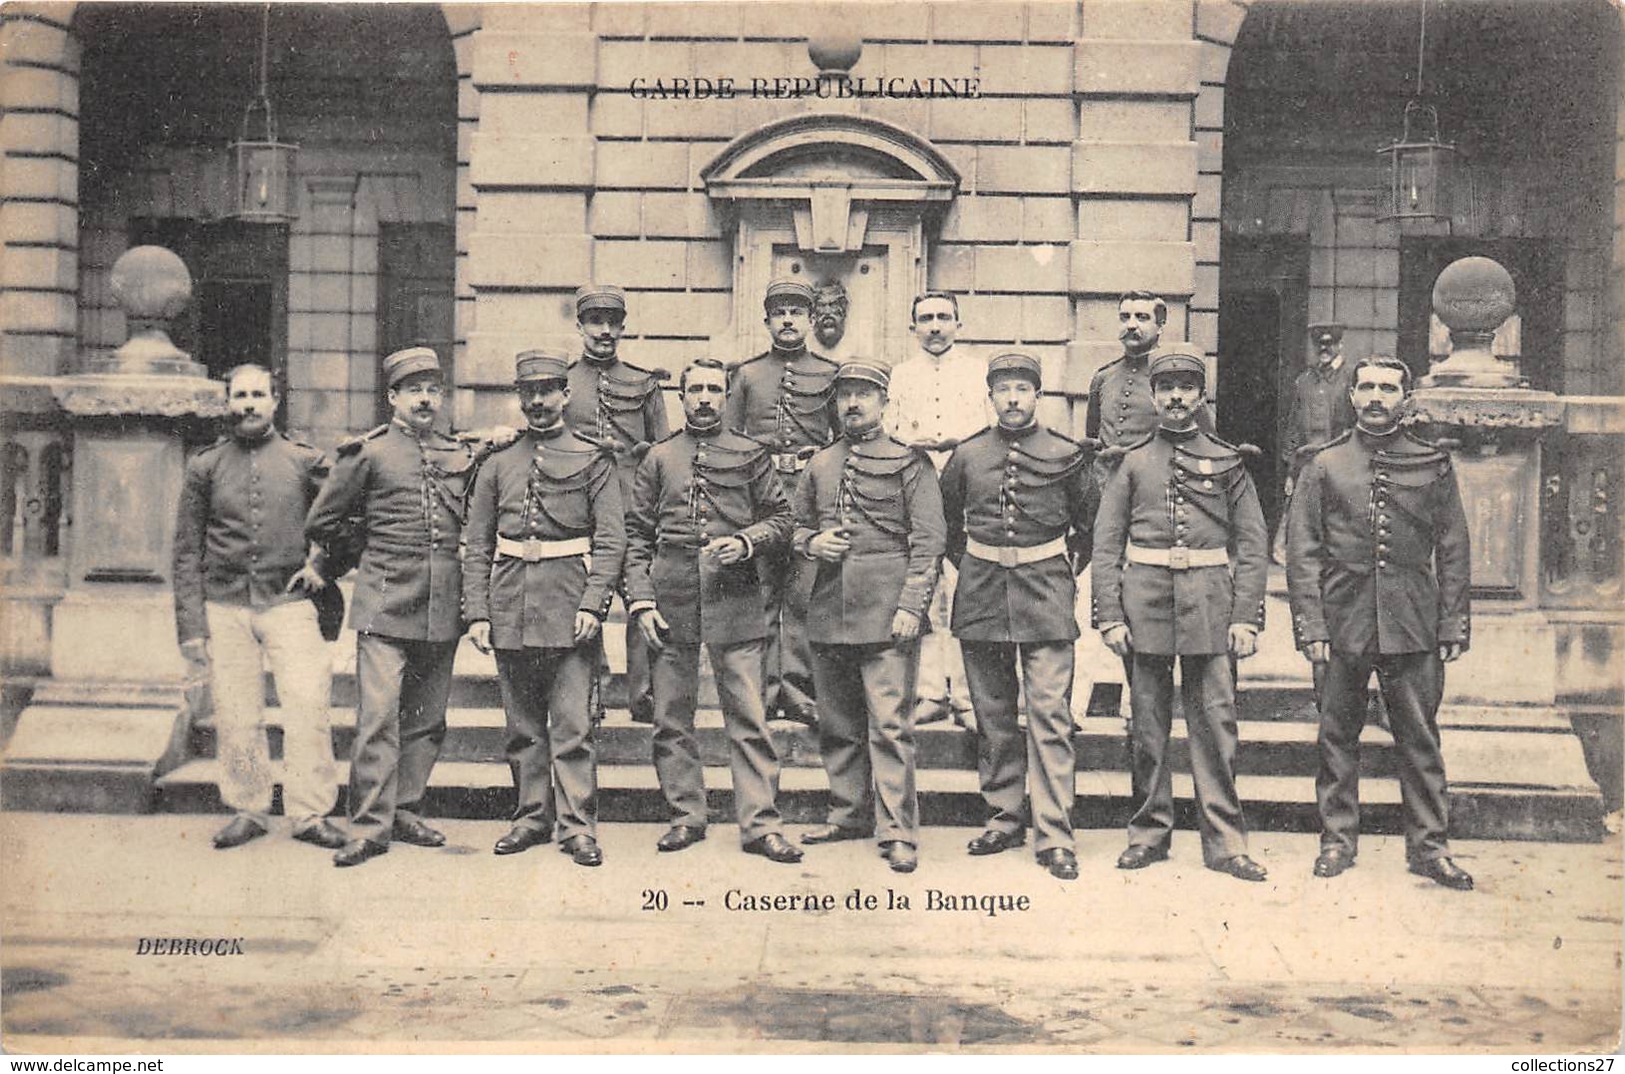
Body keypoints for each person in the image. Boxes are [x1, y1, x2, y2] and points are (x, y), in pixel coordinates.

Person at [1285, 355, 1474, 890]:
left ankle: (1429, 848)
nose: (1374, 397)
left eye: (1388, 388)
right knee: (1336, 735)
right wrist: (1312, 627)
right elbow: (1302, 553)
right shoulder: (1323, 464)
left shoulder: (1432, 463)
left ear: (1405, 399)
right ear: (1351, 396)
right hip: (1342, 619)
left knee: (1419, 739)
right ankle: (1337, 840)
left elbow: (1453, 546)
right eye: (1365, 387)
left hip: (1412, 620)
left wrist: (1453, 622)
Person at [1091, 344, 1270, 882]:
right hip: (1143, 603)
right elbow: (1106, 544)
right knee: (1147, 728)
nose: (1175, 397)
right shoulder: (1131, 462)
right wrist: (1110, 615)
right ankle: (1148, 833)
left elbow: (1253, 543)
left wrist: (1246, 616)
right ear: (1153, 394)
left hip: (1211, 605)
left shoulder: (1228, 461)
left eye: (1186, 388)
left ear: (1200, 395)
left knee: (1215, 726)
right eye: (1166, 388)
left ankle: (1225, 842)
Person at [305, 347, 482, 867]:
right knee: (378, 718)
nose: (425, 399)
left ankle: (405, 808)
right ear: (393, 398)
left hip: (441, 602)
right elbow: (323, 522)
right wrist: (367, 548)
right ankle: (368, 824)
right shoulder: (368, 453)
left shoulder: (455, 453)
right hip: (384, 601)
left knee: (427, 718)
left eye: (433, 390)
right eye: (414, 391)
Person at [624, 357, 802, 863]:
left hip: (735, 594)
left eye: (713, 390)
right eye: (694, 389)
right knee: (671, 717)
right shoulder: (658, 457)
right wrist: (640, 598)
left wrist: (747, 542)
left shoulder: (750, 454)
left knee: (748, 715)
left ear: (726, 396)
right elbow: (635, 534)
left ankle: (760, 824)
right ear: (681, 396)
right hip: (671, 596)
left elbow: (783, 518)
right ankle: (686, 815)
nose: (704, 398)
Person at [463, 350, 626, 868]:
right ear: (520, 397)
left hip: (568, 605)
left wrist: (594, 604)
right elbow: (477, 543)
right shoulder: (496, 463)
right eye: (528, 392)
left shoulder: (592, 457)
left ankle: (578, 826)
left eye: (547, 390)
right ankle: (531, 817)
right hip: (511, 604)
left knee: (573, 727)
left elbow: (611, 540)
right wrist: (478, 614)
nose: (537, 401)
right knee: (523, 727)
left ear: (565, 394)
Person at [172, 363, 343, 852]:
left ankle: (310, 812)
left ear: (275, 400)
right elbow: (186, 549)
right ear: (229, 402)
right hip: (225, 606)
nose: (248, 404)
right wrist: (190, 625)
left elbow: (340, 523)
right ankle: (249, 808)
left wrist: (321, 566)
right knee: (237, 712)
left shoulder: (304, 461)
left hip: (290, 603)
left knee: (307, 706)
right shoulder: (205, 466)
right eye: (240, 396)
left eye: (258, 395)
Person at [940, 352, 1095, 880]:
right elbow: (948, 526)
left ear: (1037, 396)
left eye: (1021, 390)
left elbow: (1087, 526)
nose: (1012, 399)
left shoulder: (1067, 453)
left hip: (1046, 595)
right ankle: (1004, 816)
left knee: (1050, 716)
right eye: (1002, 389)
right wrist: (980, 564)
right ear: (990, 397)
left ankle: (1054, 833)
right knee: (994, 717)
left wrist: (1055, 569)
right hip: (982, 593)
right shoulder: (966, 455)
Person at [792, 360, 945, 874]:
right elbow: (793, 528)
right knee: (837, 723)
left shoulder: (909, 463)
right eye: (845, 396)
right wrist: (812, 542)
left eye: (864, 395)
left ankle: (898, 830)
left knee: (889, 726)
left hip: (886, 613)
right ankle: (848, 813)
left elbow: (928, 543)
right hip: (830, 608)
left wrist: (910, 606)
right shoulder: (819, 464)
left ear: (885, 402)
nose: (853, 405)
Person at [723, 278, 840, 726]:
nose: (788, 320)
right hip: (761, 495)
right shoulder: (748, 375)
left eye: (797, 312)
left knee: (804, 594)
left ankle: (797, 689)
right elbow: (730, 442)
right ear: (767, 321)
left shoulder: (829, 374)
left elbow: (838, 442)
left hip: (808, 494)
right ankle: (764, 690)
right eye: (779, 313)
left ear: (811, 320)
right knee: (762, 592)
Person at [564, 284, 669, 726]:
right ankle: (592, 689)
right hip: (577, 504)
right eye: (595, 322)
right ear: (581, 326)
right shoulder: (563, 382)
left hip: (633, 505)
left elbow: (663, 453)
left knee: (642, 589)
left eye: (613, 323)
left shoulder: (642, 383)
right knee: (584, 592)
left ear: (623, 328)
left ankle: (642, 694)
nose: (604, 331)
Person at [885, 290, 989, 729]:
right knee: (925, 591)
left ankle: (966, 698)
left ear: (959, 325)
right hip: (918, 482)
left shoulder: (978, 372)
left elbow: (991, 427)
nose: (934, 326)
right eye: (925, 319)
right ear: (913, 328)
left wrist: (957, 445)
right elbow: (889, 428)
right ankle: (930, 692)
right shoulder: (901, 375)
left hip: (966, 488)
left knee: (964, 591)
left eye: (943, 318)